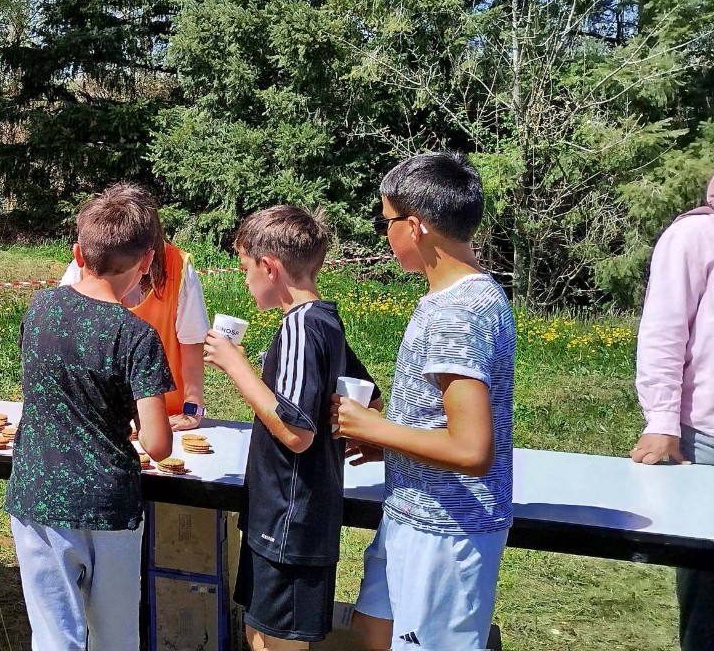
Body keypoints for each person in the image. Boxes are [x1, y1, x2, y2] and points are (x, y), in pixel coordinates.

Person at [331, 153, 516, 651]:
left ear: (414, 228)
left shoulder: (458, 313)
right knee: (373, 628)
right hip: (413, 512)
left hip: (446, 529)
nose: (384, 235)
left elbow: (472, 450)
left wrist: (373, 428)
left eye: (386, 223)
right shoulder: (457, 298)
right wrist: (392, 445)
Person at [5, 184, 175, 651]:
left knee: (53, 636)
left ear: (78, 253)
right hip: (108, 503)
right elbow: (158, 444)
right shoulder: (137, 335)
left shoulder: (40, 308)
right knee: (115, 637)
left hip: (38, 492)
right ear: (146, 262)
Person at [203, 206, 376, 649]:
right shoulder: (326, 321)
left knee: (277, 642)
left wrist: (236, 366)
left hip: (290, 521)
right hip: (284, 517)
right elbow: (368, 396)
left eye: (245, 268)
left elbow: (296, 432)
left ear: (269, 267)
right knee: (258, 634)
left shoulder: (300, 326)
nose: (244, 279)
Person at [630, 174, 714, 651]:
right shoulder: (695, 234)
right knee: (709, 602)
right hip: (707, 440)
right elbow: (664, 331)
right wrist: (662, 420)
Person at [59, 184, 209, 430]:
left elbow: (191, 344)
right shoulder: (86, 264)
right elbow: (64, 335)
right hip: (99, 416)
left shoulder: (179, 267)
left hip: (164, 417)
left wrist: (192, 410)